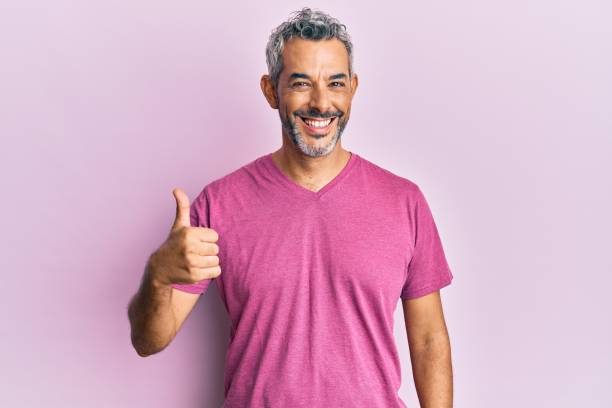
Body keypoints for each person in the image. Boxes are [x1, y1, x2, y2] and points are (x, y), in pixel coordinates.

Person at [128, 7, 454, 408]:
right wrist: (157, 276)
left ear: (352, 89)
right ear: (270, 91)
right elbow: (149, 340)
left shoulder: (404, 201)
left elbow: (428, 339)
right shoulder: (219, 204)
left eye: (335, 83)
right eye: (301, 83)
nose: (320, 103)